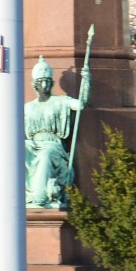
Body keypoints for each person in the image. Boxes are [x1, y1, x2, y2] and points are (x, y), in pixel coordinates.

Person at [23, 55, 89, 209]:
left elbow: (80, 105)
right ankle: (21, 195)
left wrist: (86, 81)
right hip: (33, 143)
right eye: (41, 82)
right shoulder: (27, 107)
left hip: (53, 145)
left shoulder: (61, 101)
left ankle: (40, 195)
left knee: (45, 155)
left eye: (47, 81)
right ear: (35, 85)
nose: (44, 85)